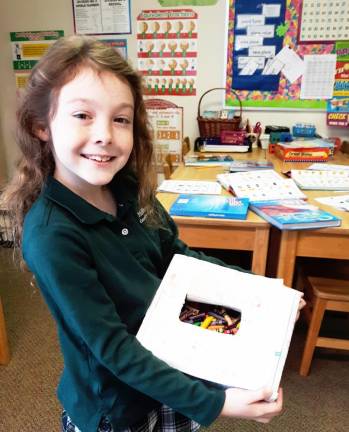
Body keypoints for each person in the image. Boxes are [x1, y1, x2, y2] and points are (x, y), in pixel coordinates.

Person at [3, 35, 300, 432]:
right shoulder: (52, 234)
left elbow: (180, 260)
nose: (105, 134)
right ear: (41, 125)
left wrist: (266, 293)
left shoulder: (128, 191)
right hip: (118, 404)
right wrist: (218, 403)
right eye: (82, 115)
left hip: (170, 366)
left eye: (120, 119)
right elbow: (114, 349)